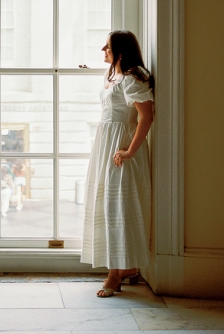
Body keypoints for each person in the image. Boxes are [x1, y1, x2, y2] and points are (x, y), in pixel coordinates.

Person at [81, 30, 155, 298]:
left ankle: (116, 273)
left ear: (121, 52)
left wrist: (129, 152)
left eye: (108, 46)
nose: (103, 49)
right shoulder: (115, 77)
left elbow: (146, 117)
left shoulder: (134, 78)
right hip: (105, 144)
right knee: (107, 205)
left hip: (121, 148)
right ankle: (124, 267)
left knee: (118, 207)